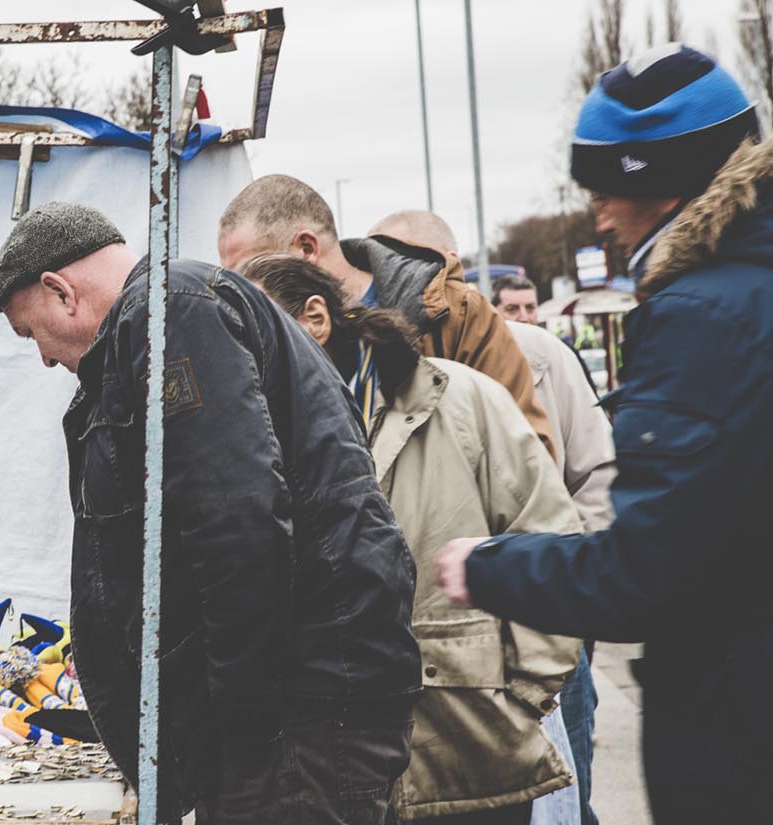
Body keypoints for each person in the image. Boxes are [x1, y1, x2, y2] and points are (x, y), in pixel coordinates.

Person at [0, 202, 421, 824]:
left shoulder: (171, 314)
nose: (43, 358)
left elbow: (236, 521)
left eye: (31, 333)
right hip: (298, 704)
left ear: (60, 291)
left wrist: (239, 724)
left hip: (294, 716)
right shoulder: (170, 313)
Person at [434, 44, 771, 824]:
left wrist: (486, 566)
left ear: (656, 180)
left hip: (741, 735)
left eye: (603, 187)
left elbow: (646, 574)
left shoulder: (700, 316)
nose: (597, 213)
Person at [241, 254, 582, 825]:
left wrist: (523, 697)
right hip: (332, 772)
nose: (239, 364)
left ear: (315, 317)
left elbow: (553, 543)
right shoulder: (258, 436)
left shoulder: (465, 402)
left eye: (250, 338)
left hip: (469, 759)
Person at [373, 209, 616, 825]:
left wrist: (575, 586)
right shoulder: (373, 363)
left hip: (543, 611)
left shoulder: (534, 349)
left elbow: (591, 470)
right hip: (458, 654)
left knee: (564, 791)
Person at [218, 176, 556, 461]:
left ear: (307, 248)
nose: (241, 295)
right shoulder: (263, 349)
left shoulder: (455, 313)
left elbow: (528, 461)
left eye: (249, 271)